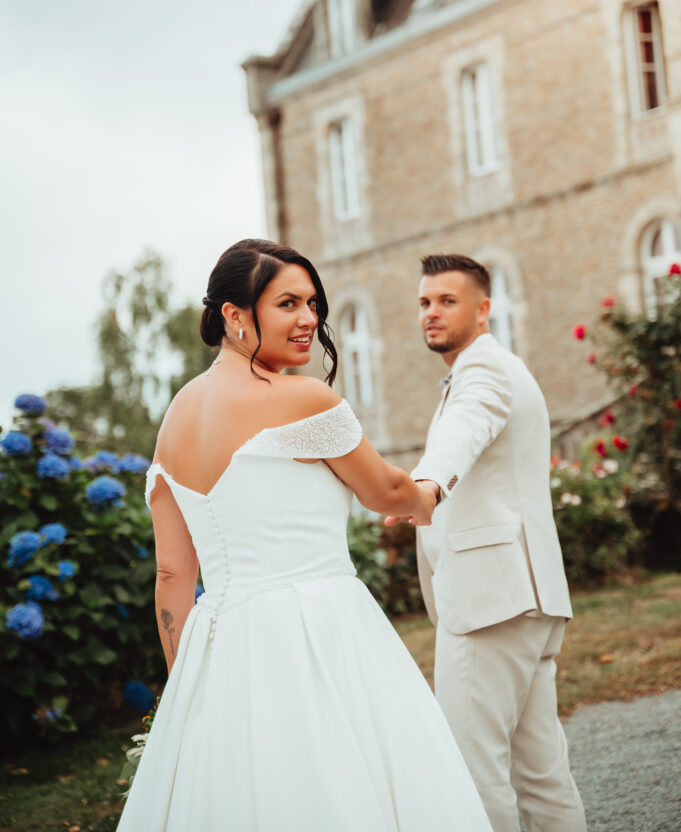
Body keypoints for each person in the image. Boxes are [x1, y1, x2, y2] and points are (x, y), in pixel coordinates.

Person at [117, 238, 492, 832]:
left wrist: (190, 686)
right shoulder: (303, 400)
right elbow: (387, 494)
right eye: (288, 303)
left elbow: (172, 575)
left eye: (312, 303)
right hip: (323, 629)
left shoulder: (176, 419)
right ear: (235, 316)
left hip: (222, 645)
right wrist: (429, 494)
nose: (309, 320)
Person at [389, 253, 586, 832]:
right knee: (542, 773)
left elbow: (464, 430)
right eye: (425, 302)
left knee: (474, 773)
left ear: (483, 309)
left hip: (490, 605)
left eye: (447, 301)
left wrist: (427, 484)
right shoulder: (495, 368)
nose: (431, 313)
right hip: (526, 600)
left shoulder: (485, 372)